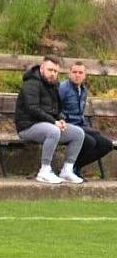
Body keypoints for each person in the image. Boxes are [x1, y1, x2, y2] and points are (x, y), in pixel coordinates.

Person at [14, 55, 85, 184]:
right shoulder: (31, 83)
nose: (53, 74)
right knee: (53, 131)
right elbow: (32, 109)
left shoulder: (53, 85)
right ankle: (44, 171)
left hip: (47, 125)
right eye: (50, 70)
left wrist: (61, 119)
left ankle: (67, 170)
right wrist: (54, 122)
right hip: (28, 126)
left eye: (55, 71)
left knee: (78, 133)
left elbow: (56, 109)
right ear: (42, 68)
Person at [58, 61, 114, 177]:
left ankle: (74, 167)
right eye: (74, 72)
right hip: (66, 127)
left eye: (80, 72)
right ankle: (70, 169)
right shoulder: (62, 88)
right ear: (69, 73)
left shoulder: (83, 90)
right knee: (90, 141)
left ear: (84, 75)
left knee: (106, 144)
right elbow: (55, 108)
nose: (77, 75)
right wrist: (61, 119)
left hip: (81, 126)